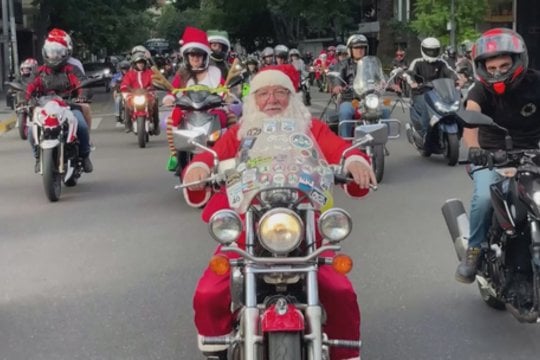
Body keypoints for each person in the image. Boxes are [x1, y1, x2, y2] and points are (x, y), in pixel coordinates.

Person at [182, 64, 376, 360]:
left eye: (280, 92)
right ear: (253, 100)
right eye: (263, 93)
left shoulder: (310, 129)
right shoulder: (240, 132)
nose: (272, 99)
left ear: (292, 97)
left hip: (303, 224)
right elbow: (209, 157)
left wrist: (354, 162)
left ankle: (344, 352)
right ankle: (217, 346)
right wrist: (198, 169)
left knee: (339, 290)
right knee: (210, 292)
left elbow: (340, 149)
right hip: (248, 225)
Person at [455, 28, 540, 283]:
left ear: (518, 61)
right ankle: (475, 248)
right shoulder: (480, 91)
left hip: (533, 152)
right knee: (483, 197)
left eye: (504, 65)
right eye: (491, 68)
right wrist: (475, 150)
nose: (498, 72)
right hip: (492, 155)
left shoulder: (536, 83)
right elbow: (470, 125)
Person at [161, 26, 231, 171]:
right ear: (187, 57)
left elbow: (224, 89)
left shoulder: (215, 72)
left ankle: (230, 153)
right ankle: (175, 153)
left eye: (198, 55)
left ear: (205, 56)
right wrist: (169, 98)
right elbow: (172, 90)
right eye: (191, 55)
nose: (195, 58)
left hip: (212, 110)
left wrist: (227, 96)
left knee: (229, 119)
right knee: (171, 119)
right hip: (188, 110)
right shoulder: (181, 74)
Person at [25, 36, 93, 173]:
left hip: (68, 105)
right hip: (45, 107)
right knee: (32, 131)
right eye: (51, 52)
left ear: (65, 53)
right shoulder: (39, 71)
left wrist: (81, 97)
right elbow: (28, 86)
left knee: (82, 125)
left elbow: (82, 85)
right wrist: (23, 98)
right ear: (45, 52)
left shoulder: (71, 69)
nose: (54, 56)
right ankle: (38, 157)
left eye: (58, 52)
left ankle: (85, 155)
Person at [404, 37, 462, 138]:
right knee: (426, 106)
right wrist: (413, 82)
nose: (431, 53)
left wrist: (457, 80)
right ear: (423, 49)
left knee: (453, 104)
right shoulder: (417, 62)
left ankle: (455, 129)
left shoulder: (442, 63)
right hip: (420, 93)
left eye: (434, 50)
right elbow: (409, 74)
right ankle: (425, 132)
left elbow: (450, 72)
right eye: (429, 51)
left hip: (439, 93)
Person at [330, 34, 369, 137]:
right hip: (350, 99)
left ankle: (381, 142)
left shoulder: (369, 63)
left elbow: (381, 75)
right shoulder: (343, 64)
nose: (360, 50)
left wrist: (390, 84)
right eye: (356, 47)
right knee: (345, 112)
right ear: (350, 49)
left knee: (385, 111)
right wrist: (337, 86)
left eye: (362, 47)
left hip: (368, 99)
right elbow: (337, 77)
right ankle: (345, 142)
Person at [119, 52, 160, 135]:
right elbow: (124, 83)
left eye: (142, 63)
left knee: (155, 101)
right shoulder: (129, 74)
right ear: (135, 64)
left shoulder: (149, 72)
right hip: (134, 95)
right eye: (138, 63)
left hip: (147, 94)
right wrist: (125, 87)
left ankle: (156, 125)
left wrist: (153, 86)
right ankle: (128, 124)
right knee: (126, 103)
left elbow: (156, 80)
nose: (140, 64)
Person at [110, 60, 131, 127]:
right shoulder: (117, 75)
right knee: (118, 99)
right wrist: (115, 88)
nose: (124, 70)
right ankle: (118, 116)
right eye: (123, 69)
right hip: (121, 92)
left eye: (126, 69)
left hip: (131, 92)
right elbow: (112, 83)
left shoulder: (132, 74)